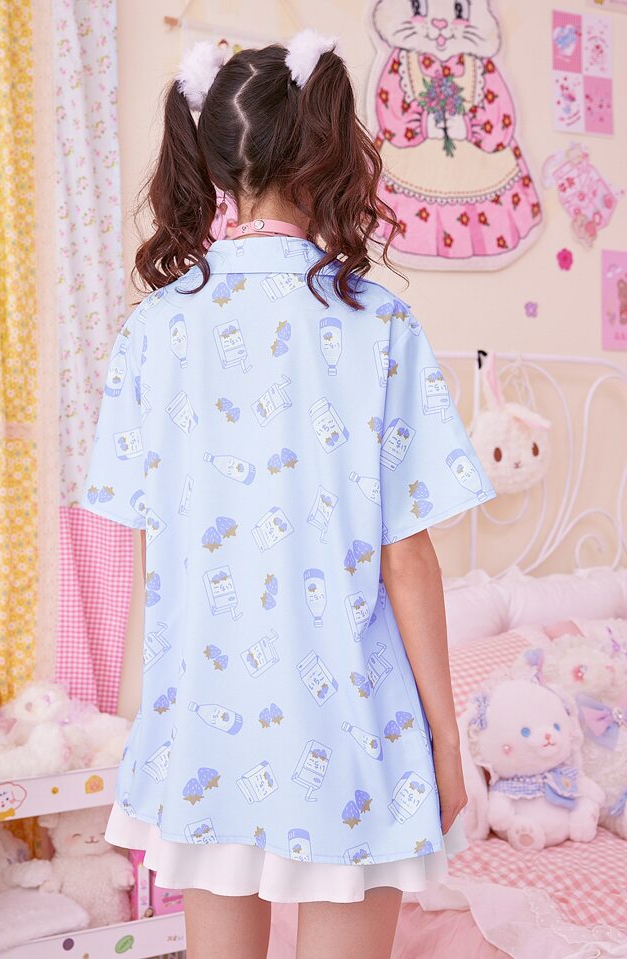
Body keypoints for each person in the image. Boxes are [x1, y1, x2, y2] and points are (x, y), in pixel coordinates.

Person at [80, 28, 497, 959]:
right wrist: (445, 737)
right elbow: (407, 556)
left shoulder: (155, 327)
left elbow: (149, 543)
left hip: (202, 724)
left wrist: (147, 713)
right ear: (327, 152)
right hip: (347, 727)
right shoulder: (374, 322)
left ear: (216, 157)